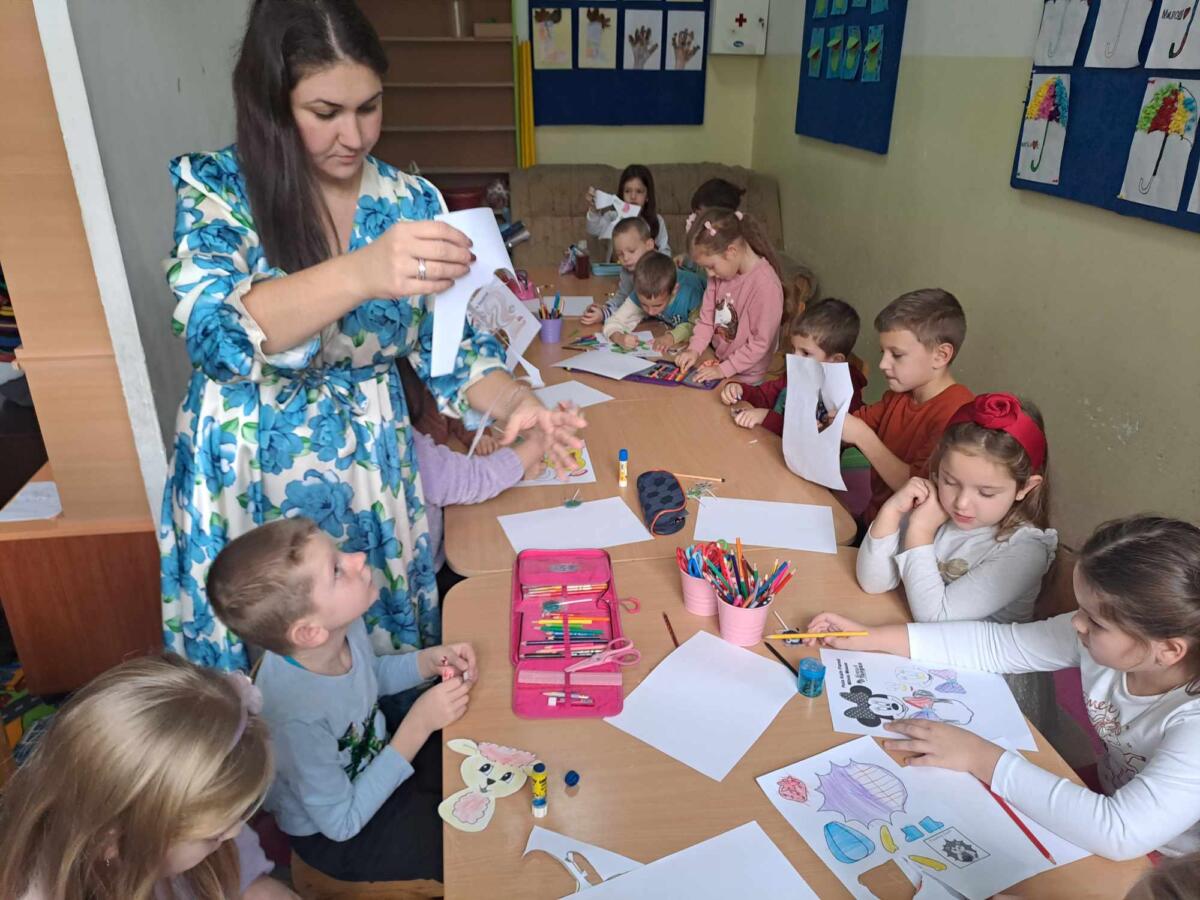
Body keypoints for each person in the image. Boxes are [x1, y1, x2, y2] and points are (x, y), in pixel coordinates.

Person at [159, 0, 584, 669]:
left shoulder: (409, 200)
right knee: (266, 680)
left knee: (375, 659)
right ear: (273, 103)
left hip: (373, 473)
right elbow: (214, 336)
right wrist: (361, 272)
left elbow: (454, 348)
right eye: (325, 112)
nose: (353, 136)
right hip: (252, 476)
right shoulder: (219, 189)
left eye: (369, 107)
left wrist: (515, 402)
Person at [807, 515, 1200, 860]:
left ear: (1168, 651)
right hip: (1105, 795)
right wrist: (872, 637)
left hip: (1171, 859)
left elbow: (1120, 833)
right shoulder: (1111, 644)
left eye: (1095, 621)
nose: (1076, 623)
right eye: (1081, 609)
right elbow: (997, 646)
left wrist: (979, 755)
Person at [206, 517, 477, 887]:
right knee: (465, 846)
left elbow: (367, 678)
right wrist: (419, 724)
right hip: (343, 836)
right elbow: (341, 823)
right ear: (309, 631)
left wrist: (426, 663)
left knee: (476, 760)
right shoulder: (295, 719)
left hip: (379, 763)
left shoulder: (340, 629)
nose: (358, 558)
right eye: (336, 569)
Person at [0, 655, 292, 900]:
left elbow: (242, 868)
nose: (234, 832)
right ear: (112, 841)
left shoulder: (191, 824)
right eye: (213, 835)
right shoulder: (42, 890)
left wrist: (258, 886)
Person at [840, 288, 973, 526]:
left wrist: (862, 436)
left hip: (905, 535)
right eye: (883, 353)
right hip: (875, 520)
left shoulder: (957, 414)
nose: (883, 364)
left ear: (941, 355)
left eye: (897, 355)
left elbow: (917, 490)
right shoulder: (899, 396)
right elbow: (851, 425)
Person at [674, 208, 785, 385]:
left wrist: (723, 370)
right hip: (719, 363)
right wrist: (694, 349)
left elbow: (760, 343)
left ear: (731, 251)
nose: (709, 274)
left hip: (747, 378)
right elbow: (707, 320)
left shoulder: (766, 285)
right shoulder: (718, 276)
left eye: (711, 266)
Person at [722, 298, 865, 434]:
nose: (795, 357)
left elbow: (810, 437)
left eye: (806, 353)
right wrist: (741, 390)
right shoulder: (798, 372)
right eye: (793, 349)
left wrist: (766, 416)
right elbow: (764, 396)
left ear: (835, 360)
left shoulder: (844, 400)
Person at [602, 251, 704, 353]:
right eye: (644, 304)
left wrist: (671, 337)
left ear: (674, 291)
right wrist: (619, 337)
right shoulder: (642, 289)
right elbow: (614, 320)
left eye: (657, 305)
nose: (650, 312)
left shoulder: (693, 294)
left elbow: (699, 327)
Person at [579, 217, 657, 325]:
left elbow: (639, 309)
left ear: (649, 245)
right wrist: (606, 307)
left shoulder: (656, 271)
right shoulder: (627, 269)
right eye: (620, 254)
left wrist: (605, 314)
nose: (625, 258)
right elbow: (623, 295)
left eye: (631, 251)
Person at [585, 163, 669, 259]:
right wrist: (594, 209)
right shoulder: (613, 216)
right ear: (622, 194)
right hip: (617, 267)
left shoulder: (657, 220)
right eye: (627, 191)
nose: (633, 197)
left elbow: (665, 251)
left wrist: (655, 255)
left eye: (639, 191)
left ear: (647, 196)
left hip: (647, 267)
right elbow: (593, 229)